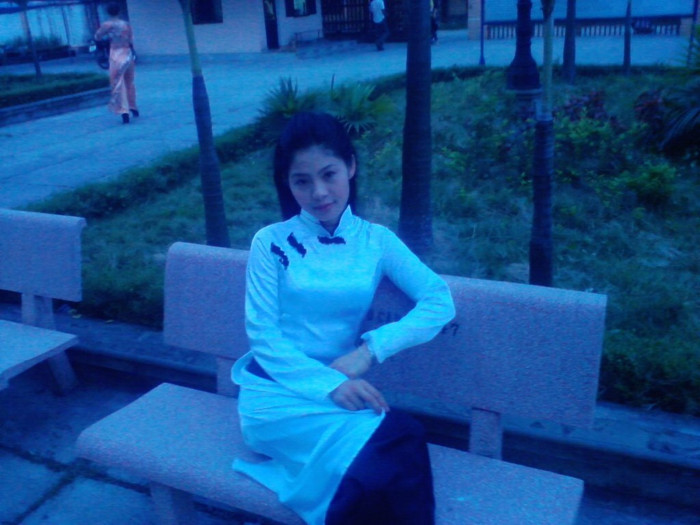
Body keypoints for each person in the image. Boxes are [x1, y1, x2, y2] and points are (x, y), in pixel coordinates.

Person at [231, 111, 455, 525]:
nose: (319, 192)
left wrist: (370, 351)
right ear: (288, 184)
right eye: (302, 181)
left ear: (350, 166)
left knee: (389, 450)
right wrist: (329, 384)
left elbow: (439, 301)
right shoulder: (270, 242)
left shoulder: (376, 241)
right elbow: (262, 336)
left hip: (340, 395)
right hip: (275, 397)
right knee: (396, 442)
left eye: (329, 174)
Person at [95, 3, 138, 124]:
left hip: (116, 54)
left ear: (108, 12)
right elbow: (131, 39)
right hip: (127, 53)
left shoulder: (107, 25)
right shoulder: (126, 24)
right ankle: (133, 106)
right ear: (119, 11)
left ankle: (124, 111)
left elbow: (97, 36)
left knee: (118, 83)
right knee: (129, 82)